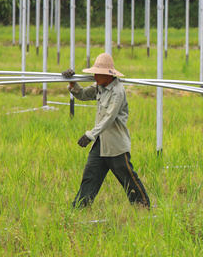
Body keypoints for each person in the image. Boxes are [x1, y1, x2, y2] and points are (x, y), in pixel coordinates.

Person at [62, 53, 150, 209]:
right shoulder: (99, 86)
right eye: (94, 72)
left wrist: (90, 135)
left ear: (108, 75)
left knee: (128, 178)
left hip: (116, 145)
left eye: (98, 73)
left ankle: (143, 207)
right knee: (90, 176)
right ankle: (79, 209)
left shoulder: (118, 92)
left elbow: (109, 118)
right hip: (101, 143)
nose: (94, 76)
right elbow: (82, 94)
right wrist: (72, 83)